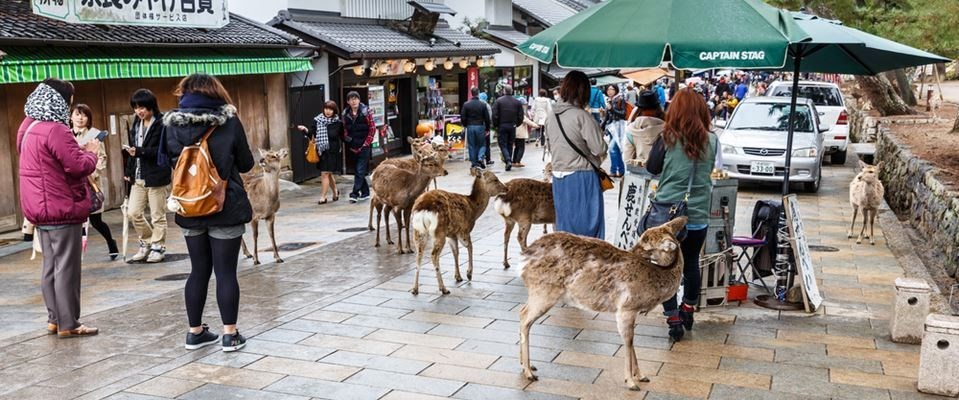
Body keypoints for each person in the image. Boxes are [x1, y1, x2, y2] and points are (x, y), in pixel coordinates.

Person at [163, 73, 255, 352]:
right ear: (216, 92)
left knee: (198, 270)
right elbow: (247, 163)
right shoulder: (229, 121)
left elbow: (168, 161)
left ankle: (195, 333)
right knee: (226, 271)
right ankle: (230, 334)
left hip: (190, 205)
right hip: (224, 204)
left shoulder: (171, 126)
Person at [18, 79, 100, 337]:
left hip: (40, 209)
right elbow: (78, 166)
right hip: (62, 206)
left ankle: (54, 319)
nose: (70, 106)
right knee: (67, 268)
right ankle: (69, 323)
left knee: (51, 266)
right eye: (70, 100)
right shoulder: (56, 129)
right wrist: (92, 153)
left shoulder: (28, 126)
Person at [644, 89, 718, 342]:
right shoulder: (713, 140)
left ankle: (673, 319)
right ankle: (688, 308)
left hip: (668, 216)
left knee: (666, 267)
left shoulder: (667, 137)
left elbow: (652, 168)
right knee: (691, 264)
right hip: (697, 213)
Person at [544, 70, 608, 239]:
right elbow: (600, 148)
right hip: (582, 177)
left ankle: (567, 263)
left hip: (558, 176)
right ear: (583, 91)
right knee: (588, 230)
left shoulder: (551, 116)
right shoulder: (581, 116)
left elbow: (550, 145)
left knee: (565, 228)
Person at [124, 89, 170, 263]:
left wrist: (140, 151)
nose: (139, 111)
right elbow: (132, 149)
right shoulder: (136, 123)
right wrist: (128, 172)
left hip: (156, 175)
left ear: (151, 105)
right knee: (133, 212)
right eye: (135, 108)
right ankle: (148, 242)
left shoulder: (162, 122)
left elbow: (163, 149)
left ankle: (158, 247)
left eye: (142, 107)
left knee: (158, 215)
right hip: (138, 175)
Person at [71, 104, 118, 260]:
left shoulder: (94, 135)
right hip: (73, 184)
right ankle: (76, 253)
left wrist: (92, 172)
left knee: (96, 221)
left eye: (84, 115)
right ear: (71, 116)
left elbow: (102, 158)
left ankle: (111, 242)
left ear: (88, 119)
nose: (80, 118)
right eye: (77, 114)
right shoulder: (66, 134)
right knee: (76, 221)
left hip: (90, 182)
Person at [298, 101, 343, 204]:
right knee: (328, 174)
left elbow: (342, 136)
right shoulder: (317, 120)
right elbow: (311, 135)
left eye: (330, 109)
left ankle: (323, 197)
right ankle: (335, 191)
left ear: (334, 111)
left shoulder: (338, 123)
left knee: (325, 173)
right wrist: (305, 129)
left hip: (333, 151)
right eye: (326, 108)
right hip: (321, 151)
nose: (328, 111)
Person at [342, 91, 376, 203]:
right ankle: (365, 192)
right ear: (348, 101)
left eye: (356, 98)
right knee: (358, 171)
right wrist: (348, 140)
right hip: (352, 146)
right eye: (351, 99)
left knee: (360, 170)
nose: (354, 101)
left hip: (364, 146)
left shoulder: (366, 112)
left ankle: (354, 193)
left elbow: (372, 129)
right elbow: (344, 129)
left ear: (359, 100)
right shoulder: (345, 113)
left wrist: (366, 143)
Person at [623, 90, 665, 165]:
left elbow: (627, 159)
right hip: (662, 173)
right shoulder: (668, 129)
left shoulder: (631, 129)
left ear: (639, 109)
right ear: (657, 108)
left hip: (639, 172)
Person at [491, 86, 524, 172]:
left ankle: (508, 160)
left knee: (502, 144)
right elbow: (521, 116)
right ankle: (508, 160)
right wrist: (517, 124)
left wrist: (496, 125)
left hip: (502, 125)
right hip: (512, 125)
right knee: (510, 144)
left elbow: (494, 115)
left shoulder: (498, 101)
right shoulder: (517, 102)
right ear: (512, 91)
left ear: (504, 91)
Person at [459, 87, 491, 169]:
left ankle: (474, 162)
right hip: (480, 126)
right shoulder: (483, 105)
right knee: (482, 144)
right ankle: (480, 157)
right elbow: (487, 118)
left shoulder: (466, 104)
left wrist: (465, 125)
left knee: (472, 145)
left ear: (471, 93)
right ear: (478, 93)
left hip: (470, 126)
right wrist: (487, 129)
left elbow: (463, 117)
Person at [603, 84, 627, 177]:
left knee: (612, 149)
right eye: (608, 89)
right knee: (616, 150)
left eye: (612, 89)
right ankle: (621, 171)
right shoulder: (610, 100)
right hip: (612, 129)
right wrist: (602, 126)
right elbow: (608, 117)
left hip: (619, 128)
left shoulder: (620, 99)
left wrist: (611, 109)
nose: (609, 91)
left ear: (616, 90)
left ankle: (614, 170)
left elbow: (623, 114)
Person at [512, 97, 539, 167]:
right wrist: (536, 125)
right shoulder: (520, 113)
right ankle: (518, 161)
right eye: (524, 104)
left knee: (517, 147)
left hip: (515, 132)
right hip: (520, 133)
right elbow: (527, 121)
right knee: (521, 148)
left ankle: (514, 161)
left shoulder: (514, 111)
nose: (525, 106)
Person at [478, 92, 494, 166]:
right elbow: (490, 117)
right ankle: (487, 159)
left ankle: (478, 158)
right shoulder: (487, 105)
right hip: (485, 126)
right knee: (486, 144)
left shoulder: (476, 103)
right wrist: (489, 127)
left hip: (477, 126)